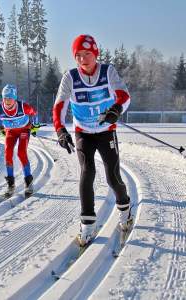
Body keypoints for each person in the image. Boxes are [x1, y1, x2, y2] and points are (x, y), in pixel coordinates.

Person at [52, 34, 132, 246]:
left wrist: (115, 110)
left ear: (95, 54)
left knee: (112, 176)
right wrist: (60, 130)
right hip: (83, 132)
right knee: (87, 173)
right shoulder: (70, 77)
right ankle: (87, 225)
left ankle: (125, 211)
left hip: (106, 130)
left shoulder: (108, 72)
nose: (82, 59)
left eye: (87, 54)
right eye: (78, 55)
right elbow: (59, 106)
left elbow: (124, 96)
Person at [0, 84, 39, 198]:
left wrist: (35, 125)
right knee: (8, 153)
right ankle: (11, 184)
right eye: (5, 98)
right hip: (11, 131)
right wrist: (0, 127)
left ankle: (29, 183)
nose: (7, 101)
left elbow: (34, 113)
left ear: (14, 98)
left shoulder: (23, 107)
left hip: (24, 129)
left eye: (10, 98)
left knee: (21, 153)